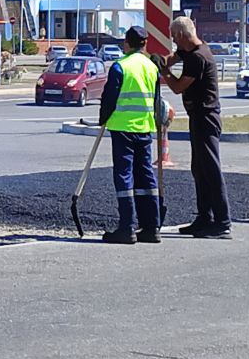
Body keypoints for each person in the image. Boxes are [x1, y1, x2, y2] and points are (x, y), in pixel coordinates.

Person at [159, 16, 232, 239]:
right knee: (199, 169)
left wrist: (164, 72)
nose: (173, 42)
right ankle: (204, 217)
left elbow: (178, 87)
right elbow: (171, 58)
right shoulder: (190, 51)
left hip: (206, 116)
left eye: (174, 37)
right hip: (198, 116)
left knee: (210, 168)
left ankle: (222, 221)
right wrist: (160, 61)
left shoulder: (199, 57)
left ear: (181, 35)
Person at [97, 26, 161, 244]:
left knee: (124, 176)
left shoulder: (120, 66)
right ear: (144, 44)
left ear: (127, 43)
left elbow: (109, 98)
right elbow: (155, 99)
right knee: (146, 176)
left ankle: (127, 227)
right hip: (144, 128)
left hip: (123, 128)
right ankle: (152, 227)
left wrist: (102, 119)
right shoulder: (152, 68)